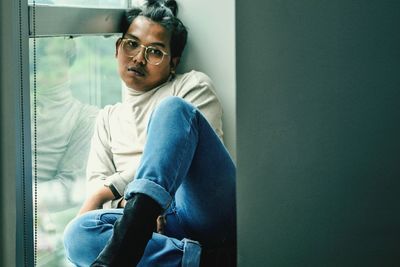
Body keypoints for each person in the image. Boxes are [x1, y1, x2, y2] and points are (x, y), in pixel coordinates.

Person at [63, 0, 236, 266]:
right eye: (131, 44)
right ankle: (205, 260)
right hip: (151, 232)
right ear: (117, 48)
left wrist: (115, 189)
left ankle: (134, 235)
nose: (139, 58)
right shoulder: (107, 119)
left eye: (154, 51)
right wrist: (124, 204)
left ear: (173, 62)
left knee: (173, 110)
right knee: (78, 234)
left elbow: (188, 157)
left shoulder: (191, 86)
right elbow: (98, 195)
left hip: (199, 211)